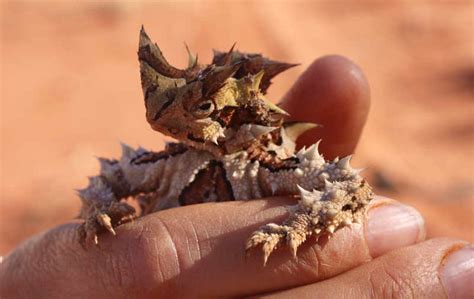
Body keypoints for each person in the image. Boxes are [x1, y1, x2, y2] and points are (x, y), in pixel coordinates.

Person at [0, 56, 472, 298]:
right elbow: (109, 179)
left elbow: (349, 189)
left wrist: (303, 226)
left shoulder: (274, 165)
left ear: (236, 118)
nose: (168, 124)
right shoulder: (166, 164)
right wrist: (99, 209)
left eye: (202, 110)